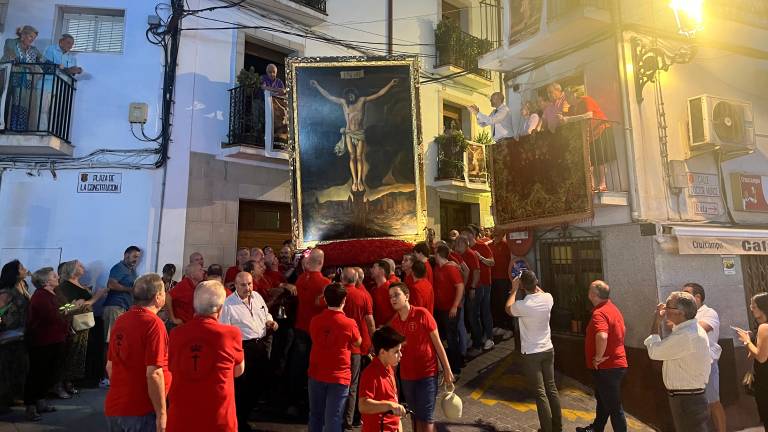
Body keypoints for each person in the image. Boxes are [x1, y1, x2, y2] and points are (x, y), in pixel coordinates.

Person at [167, 280, 245, 432]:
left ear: (194, 305)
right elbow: (238, 371)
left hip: (182, 417)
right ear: (221, 309)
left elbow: (170, 367)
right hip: (218, 418)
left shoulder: (176, 334)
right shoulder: (231, 334)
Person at [104, 273, 170, 432]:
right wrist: (162, 413)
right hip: (140, 411)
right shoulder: (153, 324)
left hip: (116, 406)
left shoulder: (121, 320)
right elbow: (154, 373)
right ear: (158, 296)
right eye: (164, 292)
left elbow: (110, 366)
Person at [310, 78, 399, 192]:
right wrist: (317, 85)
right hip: (349, 133)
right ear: (346, 96)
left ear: (355, 95)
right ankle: (355, 181)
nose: (351, 97)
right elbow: (329, 96)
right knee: (352, 157)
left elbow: (378, 94)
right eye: (349, 95)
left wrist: (390, 84)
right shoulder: (344, 103)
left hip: (359, 133)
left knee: (359, 157)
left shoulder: (362, 100)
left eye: (352, 94)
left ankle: (360, 181)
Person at [388, 282, 454, 431]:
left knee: (426, 417)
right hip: (407, 377)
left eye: (396, 295)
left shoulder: (422, 314)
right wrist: (390, 380)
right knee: (415, 416)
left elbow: (438, 344)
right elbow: (394, 357)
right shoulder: (394, 324)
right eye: (390, 296)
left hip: (428, 375)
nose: (393, 299)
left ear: (407, 296)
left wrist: (447, 369)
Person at [644, 291, 711, 432]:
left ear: (680, 313)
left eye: (668, 307)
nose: (664, 310)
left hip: (688, 400)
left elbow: (654, 351)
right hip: (685, 397)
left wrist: (656, 321)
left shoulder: (686, 335)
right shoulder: (686, 331)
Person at [505, 270, 562, 432]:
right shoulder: (548, 298)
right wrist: (530, 283)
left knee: (540, 393)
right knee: (551, 388)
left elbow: (508, 308)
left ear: (523, 286)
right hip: (548, 349)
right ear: (536, 283)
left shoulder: (523, 306)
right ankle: (557, 427)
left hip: (531, 353)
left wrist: (514, 289)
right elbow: (541, 292)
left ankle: (547, 429)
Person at [219, 272, 276, 432]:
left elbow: (266, 313)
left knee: (259, 384)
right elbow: (224, 330)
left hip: (261, 345)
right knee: (243, 387)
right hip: (244, 348)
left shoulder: (257, 296)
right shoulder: (228, 304)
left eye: (250, 284)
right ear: (235, 286)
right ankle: (239, 421)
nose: (248, 288)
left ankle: (248, 414)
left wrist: (270, 321)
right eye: (243, 285)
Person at [308, 283, 362, 432]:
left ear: (325, 299)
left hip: (317, 372)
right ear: (344, 300)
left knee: (315, 415)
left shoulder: (315, 320)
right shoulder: (349, 324)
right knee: (334, 417)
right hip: (339, 375)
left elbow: (313, 338)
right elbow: (358, 342)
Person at [576, 281, 628, 432]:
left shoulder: (599, 313)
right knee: (603, 400)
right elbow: (622, 330)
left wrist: (598, 357)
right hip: (614, 365)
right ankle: (596, 428)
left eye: (589, 289)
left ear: (593, 295)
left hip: (607, 367)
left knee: (614, 407)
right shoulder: (613, 308)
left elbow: (602, 336)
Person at [56, 260, 107, 397]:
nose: (83, 267)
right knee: (70, 354)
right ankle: (60, 385)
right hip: (74, 324)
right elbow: (67, 307)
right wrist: (96, 296)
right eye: (79, 265)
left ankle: (69, 382)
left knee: (77, 355)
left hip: (84, 323)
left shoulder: (78, 284)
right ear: (71, 269)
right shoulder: (65, 286)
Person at [288, 248, 330, 416]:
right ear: (321, 262)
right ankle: (312, 404)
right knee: (315, 368)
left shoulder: (300, 279)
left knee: (297, 366)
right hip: (316, 332)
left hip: (300, 328)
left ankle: (293, 403)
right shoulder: (325, 283)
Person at [24, 267, 68, 421]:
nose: (57, 277)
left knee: (49, 373)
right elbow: (53, 316)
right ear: (46, 281)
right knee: (37, 374)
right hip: (42, 341)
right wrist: (70, 309)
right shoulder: (40, 296)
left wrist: (71, 307)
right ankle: (30, 406)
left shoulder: (53, 294)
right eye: (54, 276)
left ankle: (41, 401)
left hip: (56, 338)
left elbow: (62, 309)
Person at [681, 282, 725, 432]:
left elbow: (699, 330)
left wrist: (681, 322)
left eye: (687, 293)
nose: (683, 297)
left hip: (708, 363)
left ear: (697, 297)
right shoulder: (687, 316)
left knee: (713, 402)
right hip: (689, 366)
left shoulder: (709, 312)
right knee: (699, 405)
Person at [102, 246, 141, 388]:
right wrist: (130, 289)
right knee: (111, 341)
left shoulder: (131, 271)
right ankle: (106, 377)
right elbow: (111, 284)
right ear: (126, 255)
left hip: (124, 308)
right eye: (135, 256)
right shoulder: (118, 267)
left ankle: (116, 373)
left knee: (119, 341)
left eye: (138, 257)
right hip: (114, 307)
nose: (137, 260)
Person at [340, 268, 375, 430]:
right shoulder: (363, 296)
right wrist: (374, 340)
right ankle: (349, 419)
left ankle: (337, 416)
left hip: (338, 346)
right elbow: (370, 321)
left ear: (342, 278)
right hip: (356, 347)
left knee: (338, 383)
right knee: (353, 385)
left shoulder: (338, 294)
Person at [561, 88, 615, 191]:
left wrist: (568, 119)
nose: (566, 99)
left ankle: (603, 184)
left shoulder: (586, 100)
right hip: (589, 134)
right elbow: (569, 121)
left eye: (567, 96)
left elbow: (588, 115)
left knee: (600, 159)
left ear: (574, 93)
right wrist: (564, 118)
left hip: (600, 129)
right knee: (590, 161)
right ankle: (592, 185)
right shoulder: (572, 108)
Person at [358, 326, 407, 432]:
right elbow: (363, 405)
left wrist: (399, 426)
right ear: (382, 352)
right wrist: (389, 406)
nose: (400, 354)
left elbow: (394, 400)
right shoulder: (370, 374)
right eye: (396, 351)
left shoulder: (389, 368)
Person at [0, 260, 31, 410]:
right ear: (15, 273)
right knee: (6, 368)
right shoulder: (6, 292)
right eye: (22, 268)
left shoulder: (21, 288)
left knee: (18, 367)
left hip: (20, 335)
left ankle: (12, 397)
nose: (25, 269)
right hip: (8, 337)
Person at [1, 26, 44, 132]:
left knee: (21, 102)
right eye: (30, 36)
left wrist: (58, 66)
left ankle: (17, 127)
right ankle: (2, 127)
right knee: (5, 100)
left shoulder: (33, 50)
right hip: (8, 75)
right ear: (23, 35)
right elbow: (11, 55)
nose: (32, 39)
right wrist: (29, 65)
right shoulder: (11, 42)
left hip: (24, 79)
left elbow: (43, 61)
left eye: (34, 38)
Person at [735, 293, 768, 428]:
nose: (751, 308)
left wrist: (747, 341)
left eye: (754, 306)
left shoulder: (764, 327)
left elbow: (761, 357)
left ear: (762, 307)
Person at [462, 226, 495, 352]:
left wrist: (481, 258)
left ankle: (489, 338)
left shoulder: (482, 246)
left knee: (484, 310)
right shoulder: (464, 249)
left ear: (473, 234)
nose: (464, 236)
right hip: (471, 285)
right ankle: (479, 336)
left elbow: (492, 262)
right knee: (473, 313)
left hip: (484, 283)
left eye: (466, 233)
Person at [433, 244, 465, 377]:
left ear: (438, 254)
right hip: (442, 308)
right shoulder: (438, 267)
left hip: (450, 309)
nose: (433, 255)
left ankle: (456, 366)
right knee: (448, 336)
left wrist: (454, 306)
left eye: (435, 253)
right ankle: (452, 362)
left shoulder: (451, 269)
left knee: (452, 337)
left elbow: (460, 287)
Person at [489, 230, 514, 340]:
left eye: (498, 233)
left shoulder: (506, 246)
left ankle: (509, 328)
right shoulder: (489, 245)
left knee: (504, 302)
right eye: (494, 233)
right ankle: (499, 326)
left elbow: (511, 261)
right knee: (494, 303)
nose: (496, 235)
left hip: (503, 278)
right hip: (492, 279)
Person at [371, 260, 395, 327]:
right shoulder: (373, 290)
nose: (371, 270)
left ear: (382, 270)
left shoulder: (391, 288)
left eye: (374, 267)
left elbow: (399, 311)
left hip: (391, 330)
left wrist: (386, 326)